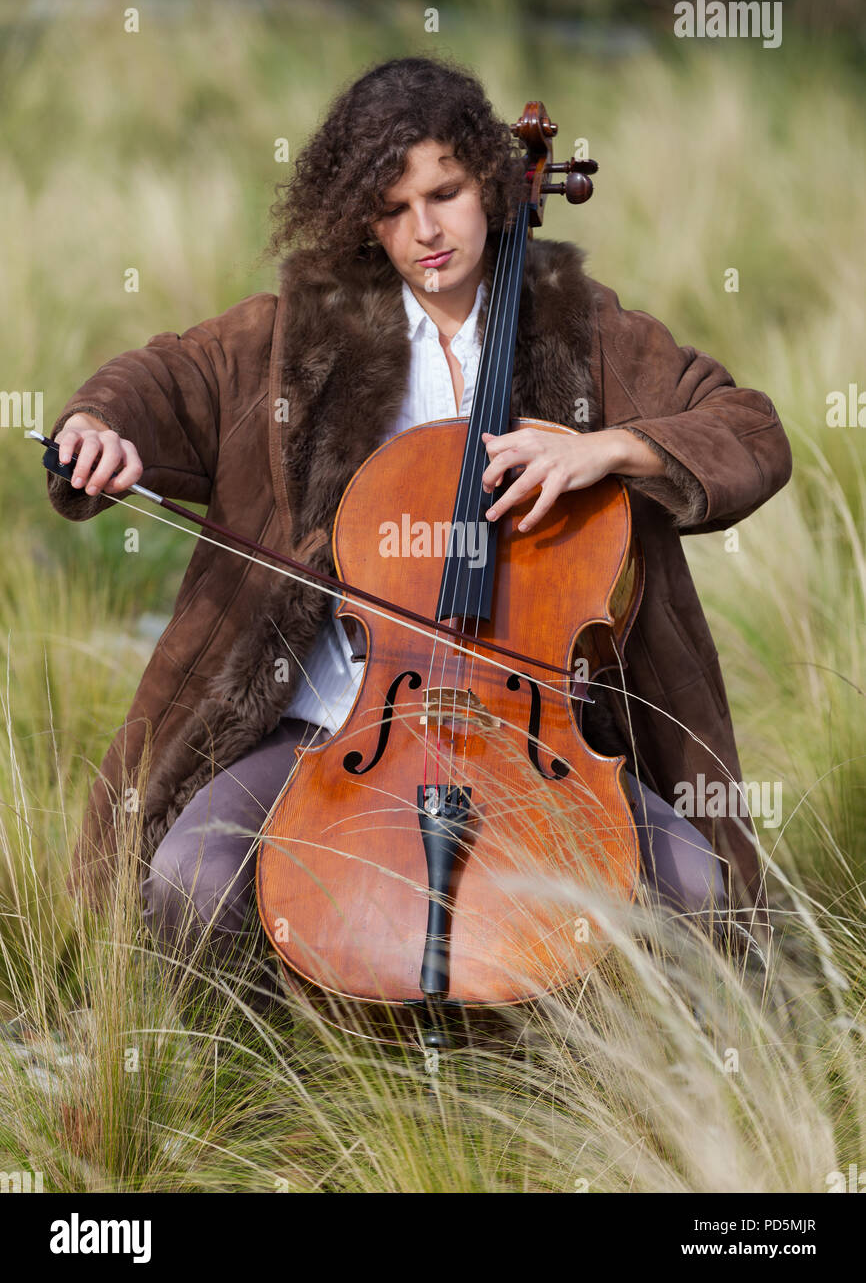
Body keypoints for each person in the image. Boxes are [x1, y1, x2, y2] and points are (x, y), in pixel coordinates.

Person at [46, 56, 792, 1009]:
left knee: (694, 895)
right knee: (190, 881)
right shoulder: (301, 332)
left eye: (445, 193)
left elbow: (750, 429)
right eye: (394, 209)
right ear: (362, 217)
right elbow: (170, 377)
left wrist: (610, 449)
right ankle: (312, 1032)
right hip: (341, 725)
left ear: (490, 179)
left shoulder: (585, 332)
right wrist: (99, 425)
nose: (426, 231)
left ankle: (549, 1048)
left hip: (541, 736)